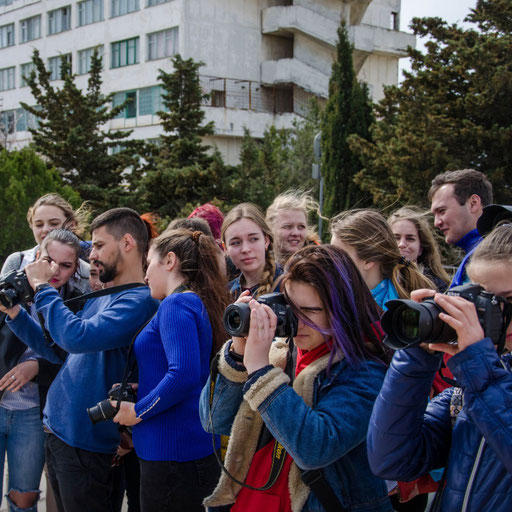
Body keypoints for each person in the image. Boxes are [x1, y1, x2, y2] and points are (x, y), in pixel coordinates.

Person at [200, 244, 392, 512]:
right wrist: (238, 354)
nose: (298, 322)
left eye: (311, 311)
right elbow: (214, 419)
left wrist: (260, 373)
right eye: (291, 308)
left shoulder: (366, 370)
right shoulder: (279, 350)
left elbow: (315, 448)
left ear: (342, 309)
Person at [0, 208, 159, 512]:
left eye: (98, 245)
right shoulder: (108, 295)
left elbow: (77, 337)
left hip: (86, 446)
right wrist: (16, 315)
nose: (92, 254)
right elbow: (58, 350)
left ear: (127, 243)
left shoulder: (139, 301)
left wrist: (44, 288)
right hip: (60, 434)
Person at [367, 217, 512, 512]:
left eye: (507, 301)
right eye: (484, 301)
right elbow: (392, 458)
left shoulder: (483, 380)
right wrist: (418, 354)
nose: (492, 315)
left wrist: (480, 369)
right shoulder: (474, 388)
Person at [112, 228, 229, 511]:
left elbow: (184, 375)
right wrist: (146, 387)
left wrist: (137, 412)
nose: (146, 275)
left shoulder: (177, 303)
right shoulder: (187, 302)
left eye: (149, 264)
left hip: (174, 456)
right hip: (178, 453)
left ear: (170, 261)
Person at [0, 229, 84, 512]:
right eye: (49, 260)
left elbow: (66, 356)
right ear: (36, 256)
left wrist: (36, 366)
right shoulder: (10, 287)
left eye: (66, 265)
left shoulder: (77, 302)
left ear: (76, 270)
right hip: (1, 399)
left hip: (35, 409)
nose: (55, 270)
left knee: (24, 496)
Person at [330, 209, 434, 309]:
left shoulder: (407, 307)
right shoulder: (331, 298)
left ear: (368, 261)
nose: (332, 264)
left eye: (339, 257)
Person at [1, 193, 90, 292]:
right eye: (39, 225)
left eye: (54, 223)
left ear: (72, 225)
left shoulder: (86, 273)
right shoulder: (18, 262)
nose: (45, 229)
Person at [429, 169, 493, 287]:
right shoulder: (484, 250)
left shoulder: (492, 255)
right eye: (434, 215)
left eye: (442, 211)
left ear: (473, 203)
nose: (436, 223)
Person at [222, 203, 283, 300]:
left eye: (253, 239)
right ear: (225, 249)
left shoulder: (288, 287)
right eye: (236, 242)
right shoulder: (224, 294)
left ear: (266, 241)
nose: (245, 249)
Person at [388, 207, 451, 292]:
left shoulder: (437, 288)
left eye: (410, 239)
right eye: (396, 238)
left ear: (421, 248)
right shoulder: (373, 281)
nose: (402, 244)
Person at [265, 190, 320, 266]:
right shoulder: (256, 267)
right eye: (288, 226)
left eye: (301, 227)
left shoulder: (318, 267)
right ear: (270, 229)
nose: (296, 233)